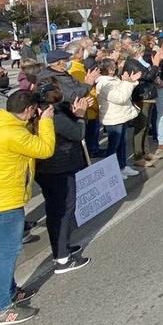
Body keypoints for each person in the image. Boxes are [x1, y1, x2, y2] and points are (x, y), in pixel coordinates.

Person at [0, 90, 56, 325]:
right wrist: (47, 123)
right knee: (9, 252)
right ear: (30, 110)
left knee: (7, 248)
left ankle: (11, 292)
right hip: (5, 199)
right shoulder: (12, 133)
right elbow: (44, 150)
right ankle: (1, 308)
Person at [33, 82, 93, 272]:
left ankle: (62, 248)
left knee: (55, 211)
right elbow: (78, 133)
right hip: (59, 168)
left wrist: (73, 113)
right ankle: (62, 258)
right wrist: (80, 116)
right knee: (63, 211)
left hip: (47, 169)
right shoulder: (54, 116)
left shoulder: (42, 112)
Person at [96, 59, 143, 179]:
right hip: (113, 118)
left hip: (121, 115)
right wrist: (128, 83)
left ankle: (122, 166)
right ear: (109, 70)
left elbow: (124, 91)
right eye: (113, 67)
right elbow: (120, 97)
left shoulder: (113, 80)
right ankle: (112, 170)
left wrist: (130, 82)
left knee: (122, 143)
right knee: (114, 145)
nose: (115, 69)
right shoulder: (103, 83)